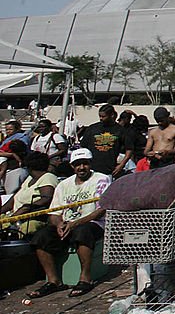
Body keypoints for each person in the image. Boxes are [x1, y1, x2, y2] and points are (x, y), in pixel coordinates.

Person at [28, 148, 110, 298]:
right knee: (41, 236)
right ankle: (54, 281)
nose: (81, 168)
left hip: (93, 223)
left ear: (90, 164)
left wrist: (75, 223)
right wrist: (59, 224)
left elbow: (100, 210)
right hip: (67, 224)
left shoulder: (101, 179)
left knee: (83, 231)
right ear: (72, 166)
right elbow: (54, 213)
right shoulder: (63, 185)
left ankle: (85, 278)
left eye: (85, 163)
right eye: (77, 164)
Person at [0, 151, 59, 237]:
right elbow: (14, 198)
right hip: (14, 217)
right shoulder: (29, 178)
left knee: (27, 227)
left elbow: (46, 198)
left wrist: (24, 209)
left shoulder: (48, 177)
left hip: (32, 218)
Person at [79, 104, 131, 177]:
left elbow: (129, 149)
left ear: (112, 115)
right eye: (100, 116)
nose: (101, 118)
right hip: (92, 170)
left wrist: (121, 165)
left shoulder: (120, 130)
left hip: (109, 171)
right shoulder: (92, 128)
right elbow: (83, 147)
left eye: (103, 116)